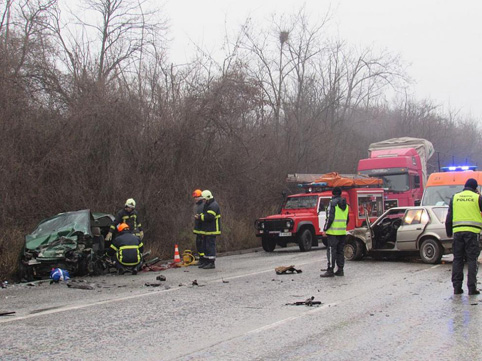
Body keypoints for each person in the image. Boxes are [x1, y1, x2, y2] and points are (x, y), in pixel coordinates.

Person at [445, 178, 482, 295]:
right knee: (472, 260)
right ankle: (471, 288)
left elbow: (449, 216)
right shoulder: (477, 198)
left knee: (457, 259)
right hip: (472, 233)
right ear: (475, 188)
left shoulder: (455, 197)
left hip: (458, 233)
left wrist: (449, 232)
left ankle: (457, 287)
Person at [321, 187, 350, 278]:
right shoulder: (346, 205)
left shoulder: (332, 203)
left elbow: (330, 218)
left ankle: (330, 270)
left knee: (331, 250)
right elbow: (347, 219)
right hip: (342, 231)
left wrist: (325, 229)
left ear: (333, 193)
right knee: (340, 251)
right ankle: (340, 270)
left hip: (333, 232)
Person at [195, 190, 221, 269]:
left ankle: (211, 262)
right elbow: (205, 214)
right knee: (205, 246)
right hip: (208, 230)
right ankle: (206, 261)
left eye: (204, 199)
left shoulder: (213, 205)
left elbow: (209, 216)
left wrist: (200, 217)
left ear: (208, 198)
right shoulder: (208, 204)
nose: (203, 201)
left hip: (212, 229)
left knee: (210, 246)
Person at [192, 189, 206, 267]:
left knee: (201, 244)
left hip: (202, 230)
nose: (195, 199)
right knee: (198, 244)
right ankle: (201, 258)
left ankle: (203, 259)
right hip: (198, 229)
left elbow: (204, 218)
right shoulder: (198, 206)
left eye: (196, 197)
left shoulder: (202, 206)